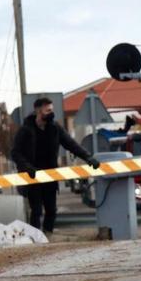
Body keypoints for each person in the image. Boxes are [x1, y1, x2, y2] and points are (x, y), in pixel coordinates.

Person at [11, 97, 100, 233]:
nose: (51, 113)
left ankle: (48, 235)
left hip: (51, 176)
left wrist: (88, 157)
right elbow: (15, 153)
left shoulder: (55, 128)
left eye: (52, 110)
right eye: (48, 110)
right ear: (38, 111)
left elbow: (71, 144)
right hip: (32, 176)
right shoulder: (26, 130)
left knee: (51, 210)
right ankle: (34, 238)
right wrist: (26, 167)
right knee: (36, 211)